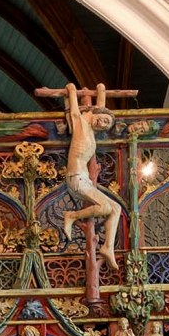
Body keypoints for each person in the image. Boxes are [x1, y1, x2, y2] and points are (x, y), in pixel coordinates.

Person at [60, 82, 121, 269]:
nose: (103, 125)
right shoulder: (81, 125)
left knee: (116, 209)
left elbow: (100, 109)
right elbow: (75, 112)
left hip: (84, 179)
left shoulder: (92, 132)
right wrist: (71, 90)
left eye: (106, 124)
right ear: (94, 115)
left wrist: (101, 90)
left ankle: (107, 247)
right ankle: (71, 215)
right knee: (104, 206)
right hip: (76, 178)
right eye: (103, 120)